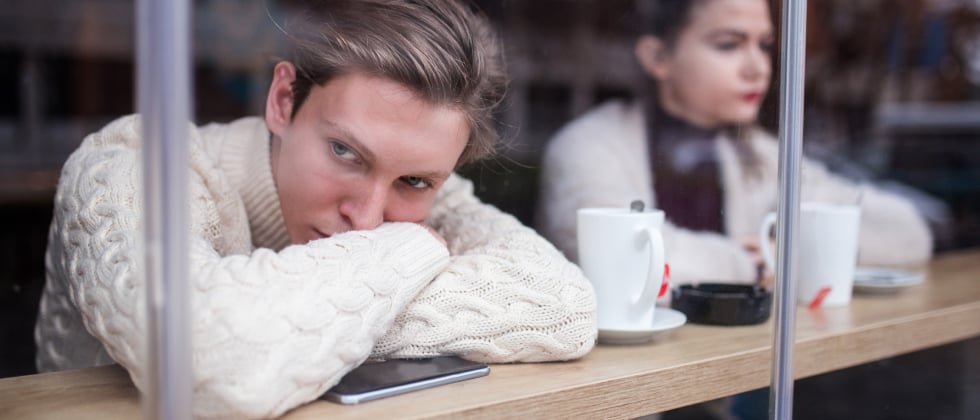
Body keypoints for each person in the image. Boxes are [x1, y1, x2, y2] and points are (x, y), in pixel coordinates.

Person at [34, 1, 597, 418]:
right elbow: (212, 358)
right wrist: (411, 248)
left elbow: (565, 308)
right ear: (284, 100)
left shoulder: (426, 190)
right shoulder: (133, 166)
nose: (370, 217)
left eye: (414, 180)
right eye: (346, 152)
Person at [537, 0, 933, 288]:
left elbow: (909, 232)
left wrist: (791, 254)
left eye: (764, 44)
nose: (759, 67)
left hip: (724, 385)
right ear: (658, 56)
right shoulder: (588, 146)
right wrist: (757, 263)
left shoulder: (758, 153)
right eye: (729, 44)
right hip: (617, 393)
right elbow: (623, 264)